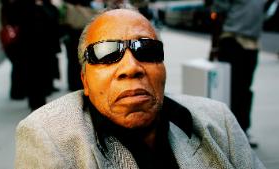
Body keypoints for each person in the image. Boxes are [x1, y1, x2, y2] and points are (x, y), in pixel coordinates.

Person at [15, 9, 265, 168]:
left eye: (146, 49)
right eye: (106, 53)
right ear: (85, 81)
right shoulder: (49, 137)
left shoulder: (219, 120)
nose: (131, 67)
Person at [209, 0, 265, 147]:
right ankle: (227, 131)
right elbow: (217, 15)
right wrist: (214, 46)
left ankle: (243, 129)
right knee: (231, 89)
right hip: (232, 41)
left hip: (252, 44)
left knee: (245, 89)